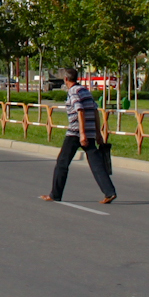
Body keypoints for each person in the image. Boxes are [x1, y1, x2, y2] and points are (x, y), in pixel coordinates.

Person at [41, 66, 117, 205]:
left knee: (62, 163)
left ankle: (55, 194)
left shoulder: (73, 92)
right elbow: (95, 111)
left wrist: (82, 134)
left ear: (65, 79)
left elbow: (80, 111)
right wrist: (97, 133)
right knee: (96, 163)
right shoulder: (85, 91)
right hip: (89, 132)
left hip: (76, 133)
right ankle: (109, 192)